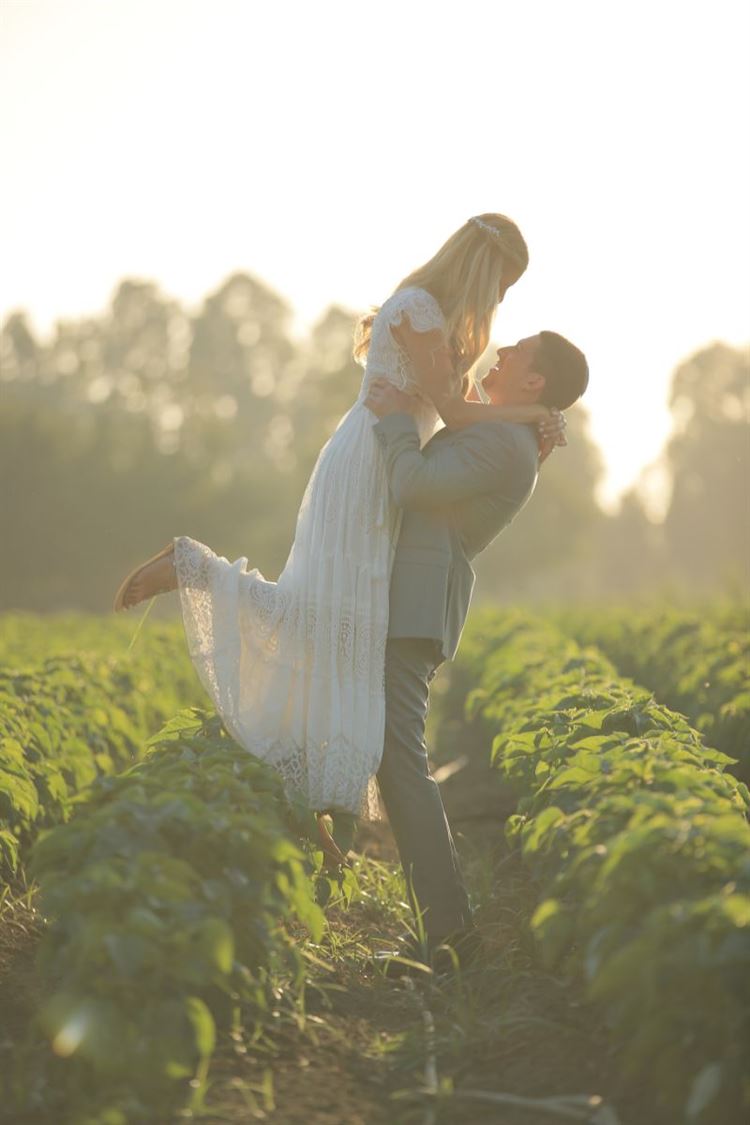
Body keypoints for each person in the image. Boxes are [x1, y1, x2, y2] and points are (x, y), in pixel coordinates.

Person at [111, 214, 564, 845]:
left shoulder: (443, 325)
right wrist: (540, 410)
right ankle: (192, 566)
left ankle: (321, 804)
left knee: (347, 632)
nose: (500, 302)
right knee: (321, 618)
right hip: (366, 467)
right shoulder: (418, 309)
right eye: (503, 287)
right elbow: (459, 413)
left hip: (392, 467)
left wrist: (532, 432)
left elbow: (466, 424)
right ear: (483, 271)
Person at [364, 329, 589, 975]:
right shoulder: (509, 430)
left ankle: (451, 934)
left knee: (401, 761)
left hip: (417, 603)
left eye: (516, 348)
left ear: (534, 380)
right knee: (396, 758)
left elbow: (412, 482)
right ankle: (445, 928)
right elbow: (456, 402)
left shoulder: (506, 443)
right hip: (409, 596)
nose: (504, 346)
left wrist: (394, 420)